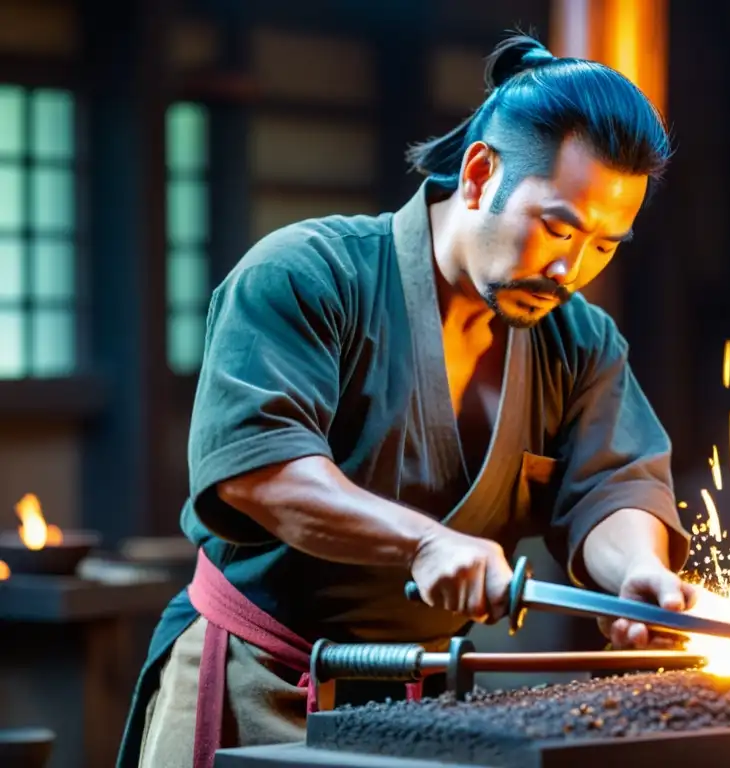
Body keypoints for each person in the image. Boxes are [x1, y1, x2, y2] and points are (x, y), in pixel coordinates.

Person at [118, 33, 696, 768]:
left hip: (425, 705)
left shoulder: (579, 341)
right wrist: (423, 541)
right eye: (557, 227)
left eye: (604, 246)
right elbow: (260, 472)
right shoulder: (309, 274)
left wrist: (635, 573)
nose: (568, 269)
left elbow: (612, 487)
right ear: (481, 175)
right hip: (257, 683)